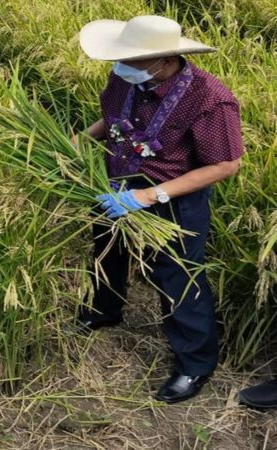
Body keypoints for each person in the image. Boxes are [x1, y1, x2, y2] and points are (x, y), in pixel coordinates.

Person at [73, 15, 243, 403]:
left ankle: (194, 364)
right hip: (114, 184)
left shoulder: (209, 99)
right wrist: (80, 141)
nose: (119, 68)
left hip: (171, 197)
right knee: (106, 251)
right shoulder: (125, 77)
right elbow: (112, 119)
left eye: (129, 61)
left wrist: (148, 197)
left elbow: (225, 165)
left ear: (165, 60)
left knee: (178, 276)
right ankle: (104, 310)